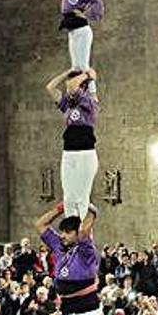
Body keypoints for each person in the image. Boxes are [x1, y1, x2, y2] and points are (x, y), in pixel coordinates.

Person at [35, 201, 102, 315]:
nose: (62, 235)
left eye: (68, 232)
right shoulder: (59, 246)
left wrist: (91, 212)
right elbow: (40, 224)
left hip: (86, 306)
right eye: (62, 232)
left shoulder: (86, 250)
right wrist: (62, 207)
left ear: (78, 234)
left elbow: (83, 231)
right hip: (66, 305)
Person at [45, 68, 101, 221]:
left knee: (81, 197)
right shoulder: (68, 105)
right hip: (69, 152)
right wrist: (67, 72)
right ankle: (71, 232)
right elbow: (50, 87)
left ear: (83, 86)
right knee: (68, 196)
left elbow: (72, 86)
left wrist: (88, 75)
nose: (68, 87)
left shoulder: (89, 101)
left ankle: (83, 231)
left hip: (85, 153)